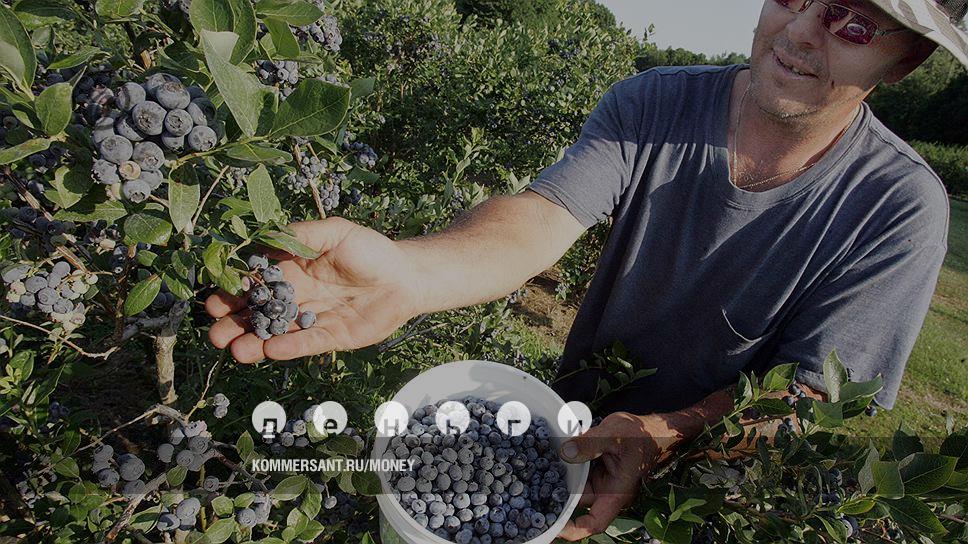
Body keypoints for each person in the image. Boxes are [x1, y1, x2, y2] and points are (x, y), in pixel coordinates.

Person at [207, 0, 968, 539]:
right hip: (564, 446)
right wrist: (410, 273)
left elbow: (812, 399)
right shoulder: (654, 103)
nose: (799, 32)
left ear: (906, 59)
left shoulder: (898, 207)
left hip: (708, 497)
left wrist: (662, 434)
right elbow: (538, 218)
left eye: (852, 22)